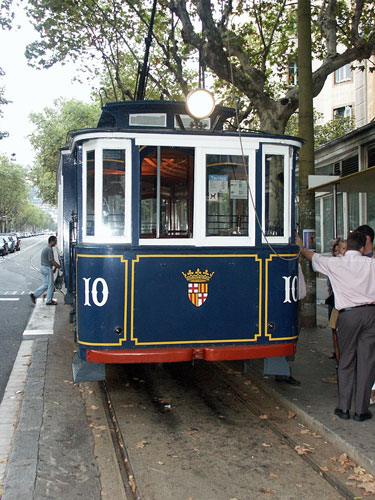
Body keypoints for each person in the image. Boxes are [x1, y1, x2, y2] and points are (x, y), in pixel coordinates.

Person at [296, 230, 375, 422]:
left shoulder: (335, 263)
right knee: (367, 362)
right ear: (363, 248)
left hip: (348, 316)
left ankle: (343, 408)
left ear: (347, 246)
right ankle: (361, 410)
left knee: (346, 360)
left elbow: (312, 256)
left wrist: (300, 245)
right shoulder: (371, 264)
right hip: (371, 314)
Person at [30, 235, 61, 306]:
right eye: (55, 241)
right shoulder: (49, 249)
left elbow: (50, 261)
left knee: (46, 284)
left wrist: (55, 268)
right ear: (52, 241)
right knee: (51, 286)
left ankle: (34, 295)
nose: (56, 243)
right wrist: (59, 266)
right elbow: (52, 261)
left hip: (43, 268)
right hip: (47, 268)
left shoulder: (46, 248)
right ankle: (49, 300)